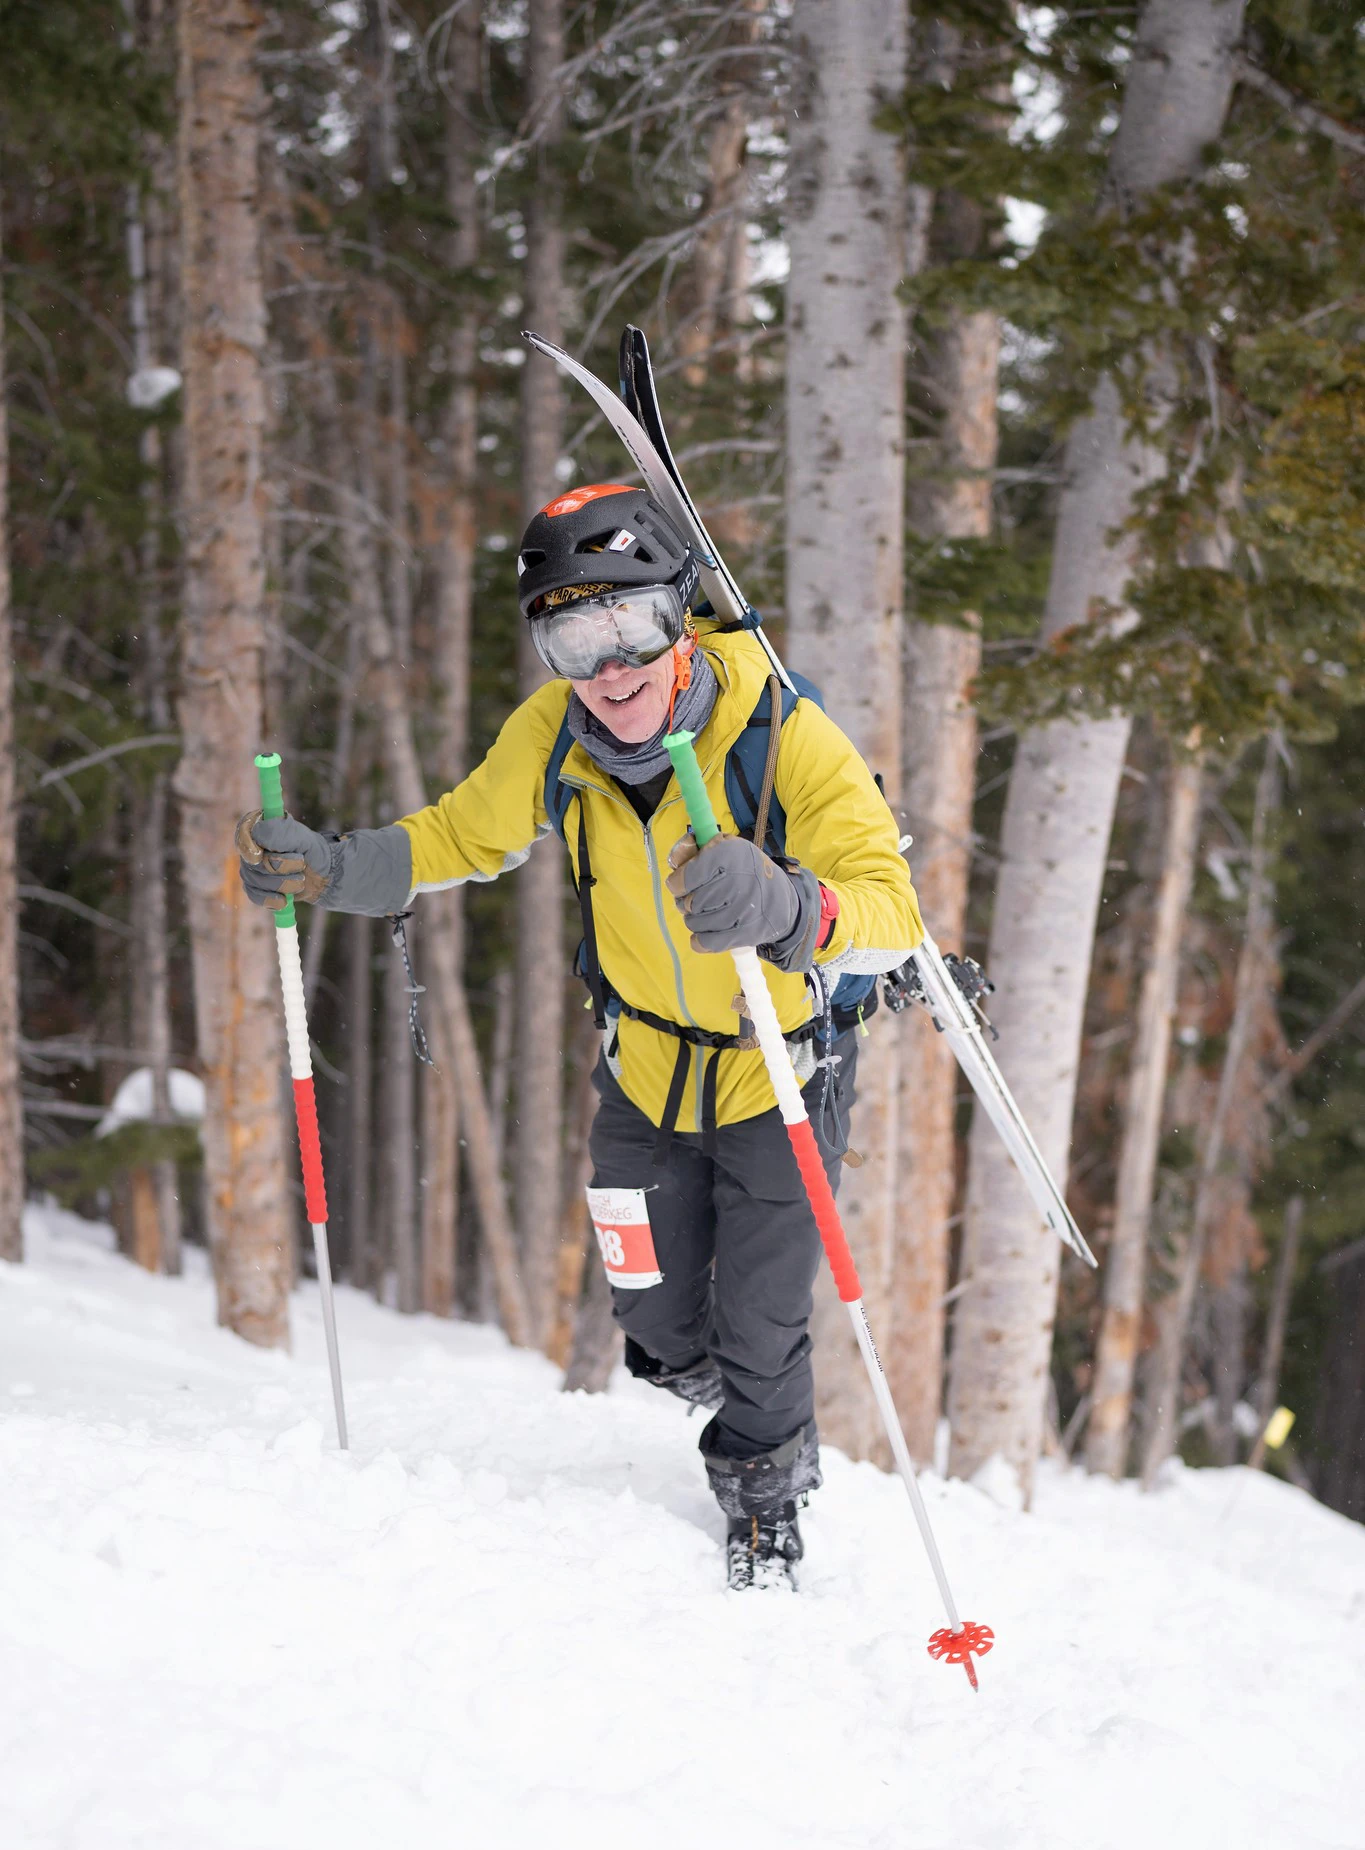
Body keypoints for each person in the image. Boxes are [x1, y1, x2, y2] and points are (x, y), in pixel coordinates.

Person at [237, 482, 923, 1588]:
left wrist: (795, 906)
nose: (610, 671)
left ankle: (764, 1494)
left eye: (632, 627)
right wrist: (334, 867)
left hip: (776, 1076)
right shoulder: (558, 736)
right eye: (572, 637)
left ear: (681, 616)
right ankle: (715, 1381)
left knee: (760, 1320)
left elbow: (892, 912)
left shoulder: (784, 729)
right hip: (643, 1076)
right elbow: (464, 830)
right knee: (652, 1322)